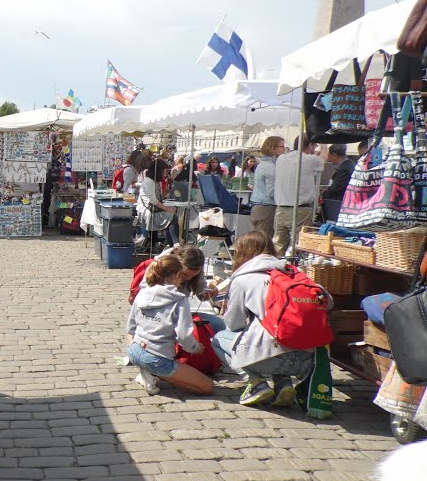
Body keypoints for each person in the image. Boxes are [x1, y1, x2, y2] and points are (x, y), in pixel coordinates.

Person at [210, 231, 319, 407]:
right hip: (305, 359)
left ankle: (255, 383)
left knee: (218, 339)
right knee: (277, 335)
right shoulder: (293, 272)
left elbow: (233, 324)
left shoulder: (243, 277)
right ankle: (283, 384)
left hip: (268, 359)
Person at [125, 253, 216, 396]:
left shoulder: (142, 293)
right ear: (178, 275)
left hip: (134, 350)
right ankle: (157, 372)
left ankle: (147, 370)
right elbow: (184, 336)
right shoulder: (179, 300)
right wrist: (196, 348)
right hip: (157, 358)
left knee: (152, 358)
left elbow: (130, 327)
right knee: (208, 387)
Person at [273, 135, 323, 254]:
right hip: (300, 209)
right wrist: (324, 144)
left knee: (278, 245)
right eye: (315, 146)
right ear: (310, 145)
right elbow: (323, 160)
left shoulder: (281, 158)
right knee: (298, 246)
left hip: (281, 208)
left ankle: (276, 270)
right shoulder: (309, 159)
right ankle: (293, 270)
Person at [137, 157, 179, 246]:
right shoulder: (149, 182)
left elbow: (158, 198)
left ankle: (172, 243)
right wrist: (167, 209)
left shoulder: (156, 182)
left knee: (171, 217)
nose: (165, 173)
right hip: (149, 211)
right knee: (172, 217)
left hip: (153, 209)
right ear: (159, 170)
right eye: (165, 171)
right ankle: (175, 244)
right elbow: (153, 200)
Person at [250, 136, 285, 240]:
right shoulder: (270, 167)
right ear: (272, 148)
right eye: (281, 147)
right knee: (263, 242)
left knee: (259, 240)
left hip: (259, 207)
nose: (284, 149)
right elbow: (272, 192)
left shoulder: (263, 164)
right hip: (266, 208)